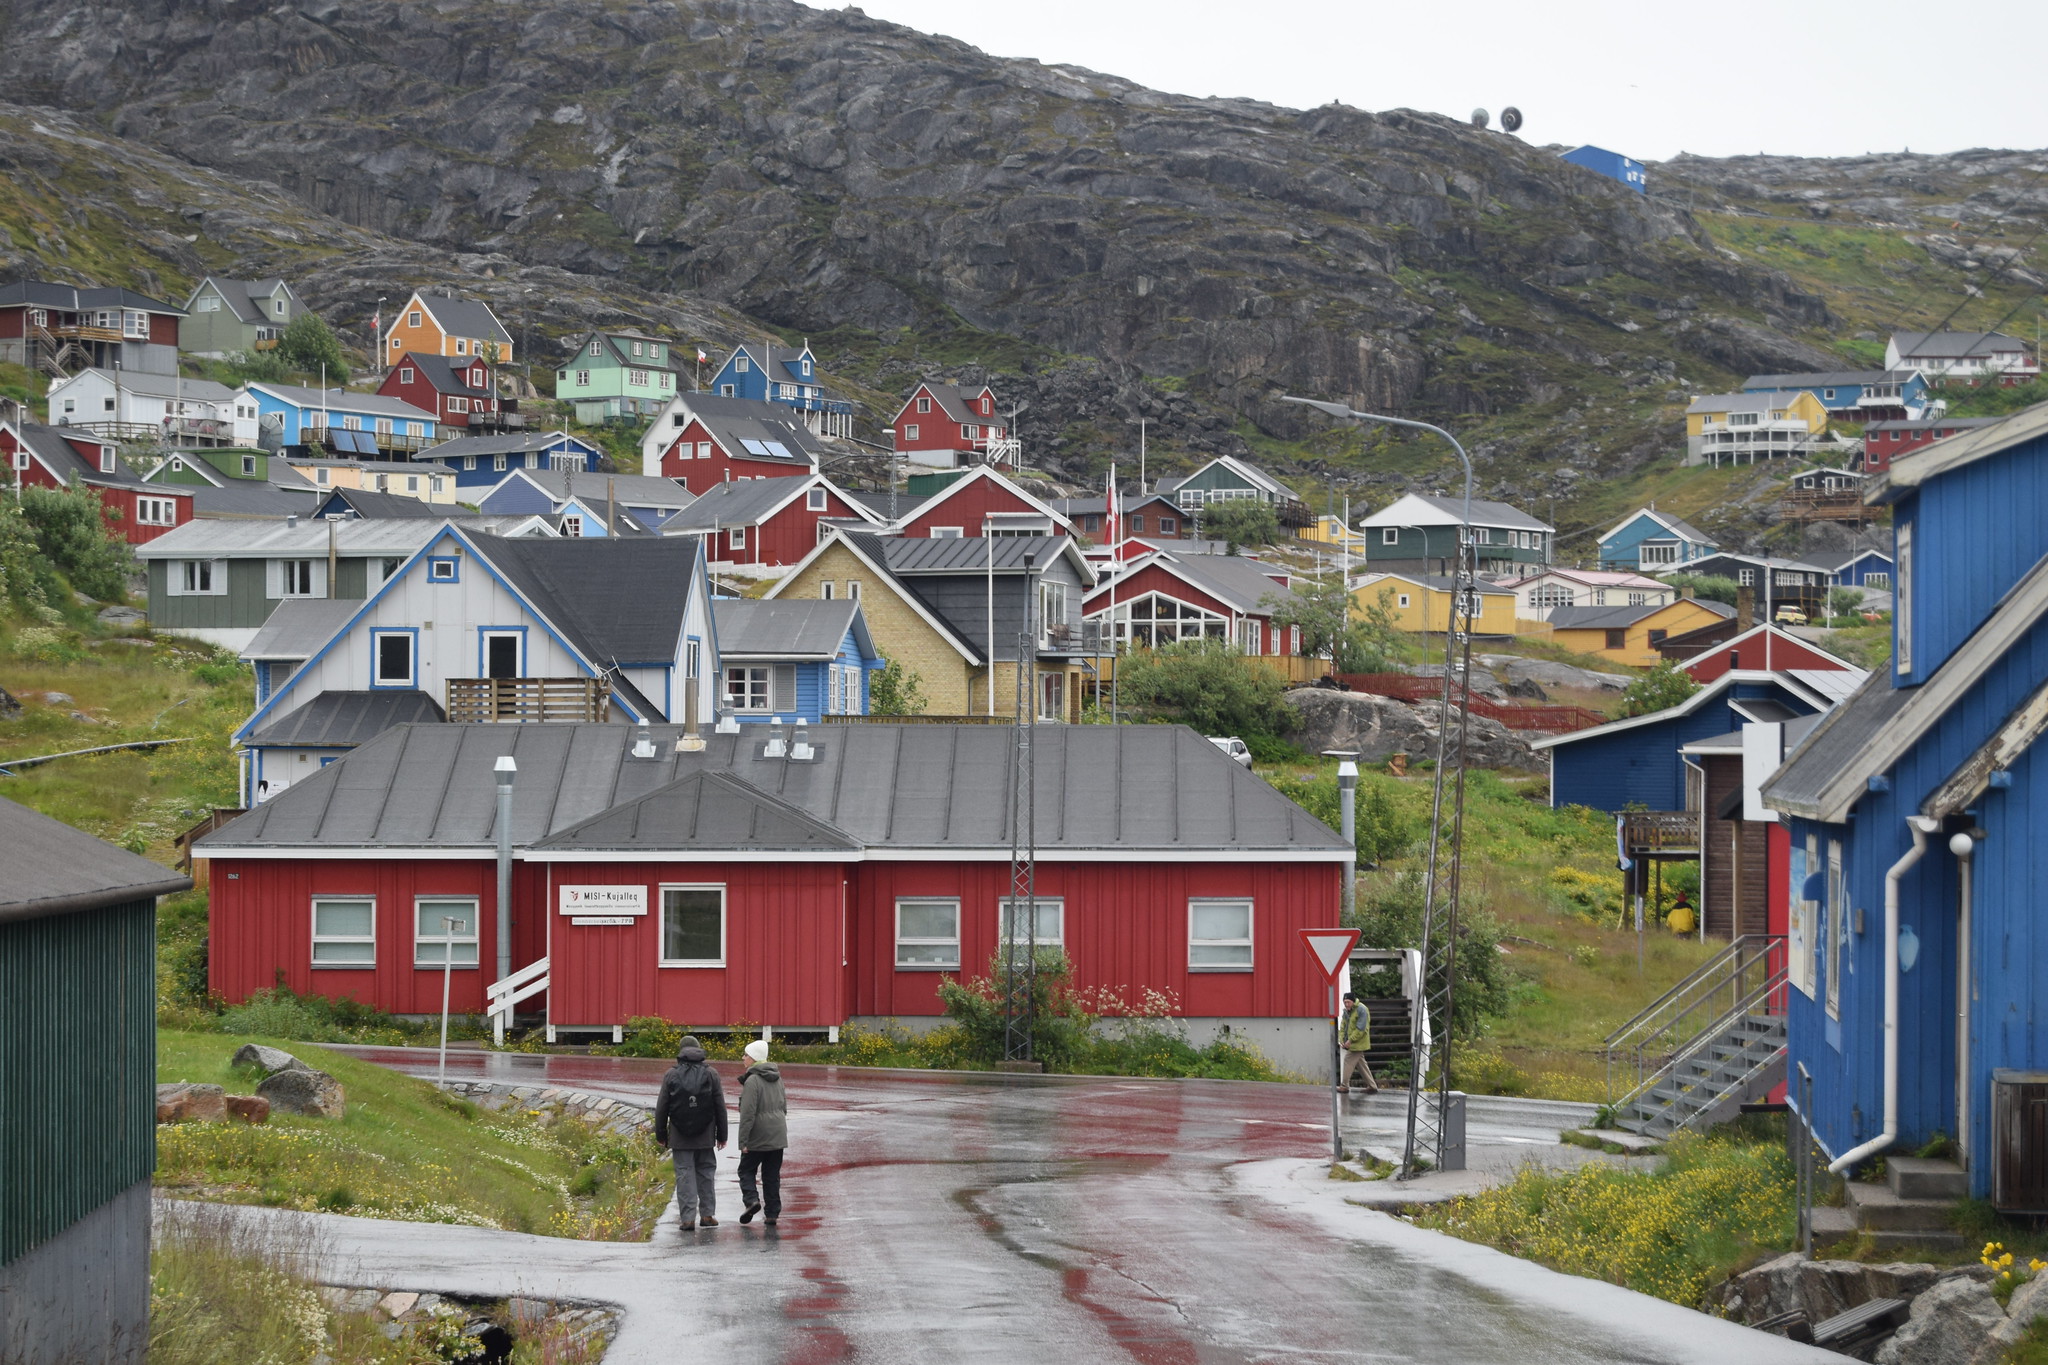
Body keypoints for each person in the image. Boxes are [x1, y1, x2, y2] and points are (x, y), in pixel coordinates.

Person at [653, 1034, 726, 1231]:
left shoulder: (671, 1075)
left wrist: (661, 1134)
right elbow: (719, 1106)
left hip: (679, 1135)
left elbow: (662, 1107)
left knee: (684, 1175)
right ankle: (708, 1215)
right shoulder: (711, 1074)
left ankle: (687, 1219)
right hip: (705, 1134)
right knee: (706, 1172)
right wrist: (722, 1135)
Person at [736, 1038, 788, 1227]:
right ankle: (772, 1213)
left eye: (746, 1055)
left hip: (758, 1135)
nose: (743, 1058)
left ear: (754, 1058)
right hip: (778, 1135)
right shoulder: (778, 1078)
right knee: (771, 1174)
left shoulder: (753, 1081)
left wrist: (743, 1142)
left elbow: (747, 1114)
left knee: (746, 1170)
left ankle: (751, 1201)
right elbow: (784, 1106)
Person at [1337, 992, 1378, 1094]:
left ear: (1353, 1001)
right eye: (1345, 1002)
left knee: (1348, 1060)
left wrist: (1350, 1040)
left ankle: (1344, 1086)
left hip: (1358, 1043)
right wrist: (1341, 1039)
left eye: (1348, 1002)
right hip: (1350, 1042)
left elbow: (1361, 1029)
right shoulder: (1346, 1011)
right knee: (1361, 1064)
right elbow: (1343, 1026)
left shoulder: (1361, 1009)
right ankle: (1372, 1086)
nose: (1346, 1004)